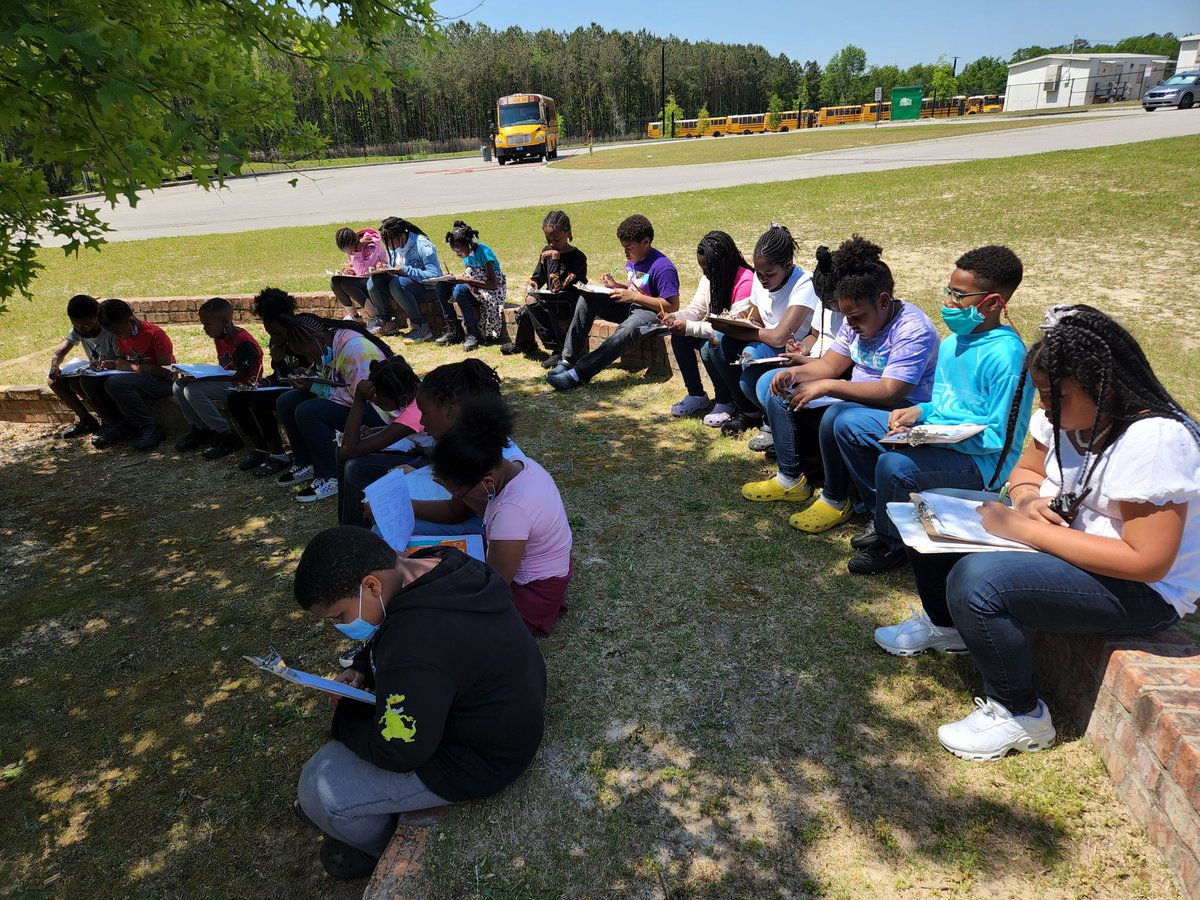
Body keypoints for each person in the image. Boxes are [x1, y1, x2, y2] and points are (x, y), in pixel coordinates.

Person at [875, 305, 1198, 762]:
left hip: (1145, 591)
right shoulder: (1064, 417)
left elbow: (1147, 561)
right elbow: (1025, 472)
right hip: (1073, 552)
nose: (1043, 407)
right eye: (1043, 395)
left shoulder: (1154, 440)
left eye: (1053, 396)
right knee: (933, 510)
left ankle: (1021, 714)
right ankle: (947, 627)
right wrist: (1028, 502)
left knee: (978, 581)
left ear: (1101, 389)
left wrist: (1026, 530)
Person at [293, 527, 546, 880]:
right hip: (507, 711)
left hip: (481, 758)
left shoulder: (414, 645)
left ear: (371, 586)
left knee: (319, 789)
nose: (340, 626)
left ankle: (377, 851)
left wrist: (346, 714)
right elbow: (398, 639)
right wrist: (365, 666)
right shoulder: (437, 561)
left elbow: (398, 751)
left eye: (339, 617)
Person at [842, 245, 1033, 574]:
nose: (948, 304)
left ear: (991, 303)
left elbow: (1000, 439)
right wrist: (918, 413)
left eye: (959, 297)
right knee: (850, 423)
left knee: (894, 465)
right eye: (948, 291)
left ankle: (892, 544)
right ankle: (883, 516)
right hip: (941, 440)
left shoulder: (1007, 357)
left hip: (982, 464)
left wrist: (935, 440)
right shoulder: (952, 343)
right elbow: (945, 404)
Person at [779, 236, 940, 537]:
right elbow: (829, 365)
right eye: (846, 316)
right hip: (864, 405)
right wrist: (795, 375)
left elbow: (891, 392)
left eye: (855, 317)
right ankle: (818, 489)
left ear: (882, 300)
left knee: (841, 418)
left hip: (905, 414)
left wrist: (827, 387)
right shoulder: (860, 320)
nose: (849, 324)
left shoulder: (912, 329)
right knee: (787, 394)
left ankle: (877, 511)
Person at [429, 396, 572, 635]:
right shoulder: (519, 464)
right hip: (543, 570)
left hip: (532, 593)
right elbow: (492, 510)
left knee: (446, 616)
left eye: (459, 490)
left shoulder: (511, 513)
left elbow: (494, 586)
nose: (457, 495)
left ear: (487, 480)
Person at [740, 246, 847, 499]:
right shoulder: (826, 302)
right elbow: (815, 335)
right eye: (824, 301)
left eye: (831, 301)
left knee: (776, 390)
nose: (827, 306)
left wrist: (802, 367)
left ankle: (793, 473)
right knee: (767, 383)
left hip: (835, 372)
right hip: (819, 364)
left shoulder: (852, 313)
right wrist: (802, 349)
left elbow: (839, 363)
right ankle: (793, 454)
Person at [705, 224, 822, 439]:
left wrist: (745, 333)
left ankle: (772, 421)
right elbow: (757, 317)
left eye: (769, 274)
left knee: (750, 361)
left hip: (788, 348)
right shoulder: (761, 279)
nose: (762, 279)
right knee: (715, 343)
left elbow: (780, 336)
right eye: (758, 273)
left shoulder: (804, 283)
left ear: (788, 266)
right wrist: (740, 320)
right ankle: (748, 410)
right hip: (764, 339)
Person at [547, 214, 680, 391]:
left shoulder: (663, 267)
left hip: (651, 313)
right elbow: (639, 286)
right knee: (588, 297)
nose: (625, 252)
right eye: (623, 247)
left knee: (626, 330)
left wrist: (634, 297)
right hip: (631, 305)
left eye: (629, 247)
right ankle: (567, 360)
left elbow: (672, 305)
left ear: (646, 242)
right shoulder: (634, 259)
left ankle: (578, 374)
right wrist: (616, 285)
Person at [272, 315, 392, 503]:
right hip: (355, 403)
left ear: (320, 339)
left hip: (377, 412)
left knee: (308, 410)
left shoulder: (355, 349)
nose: (310, 359)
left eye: (310, 355)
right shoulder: (329, 343)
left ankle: (331, 475)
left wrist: (314, 387)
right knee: (287, 401)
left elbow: (359, 397)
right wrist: (313, 377)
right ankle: (307, 462)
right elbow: (337, 380)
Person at [660, 230, 755, 420]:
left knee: (710, 344)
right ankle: (696, 395)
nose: (705, 274)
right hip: (722, 334)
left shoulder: (746, 281)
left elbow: (734, 328)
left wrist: (688, 327)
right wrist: (674, 317)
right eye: (703, 269)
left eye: (708, 269)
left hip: (739, 340)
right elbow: (697, 309)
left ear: (724, 262)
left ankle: (727, 400)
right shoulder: (711, 277)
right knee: (681, 335)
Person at [226, 287, 311, 477]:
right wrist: (267, 381)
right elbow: (279, 374)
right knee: (236, 398)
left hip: (303, 388)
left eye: (278, 335)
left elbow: (309, 374)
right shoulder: (276, 342)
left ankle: (279, 454)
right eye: (270, 335)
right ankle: (261, 448)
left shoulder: (303, 341)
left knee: (260, 402)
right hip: (285, 385)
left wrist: (283, 364)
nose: (274, 339)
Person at [172, 297, 264, 459]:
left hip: (244, 385)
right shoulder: (220, 336)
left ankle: (227, 435)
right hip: (227, 380)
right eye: (203, 324)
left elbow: (239, 375)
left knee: (193, 391)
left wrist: (201, 379)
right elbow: (224, 368)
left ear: (226, 322)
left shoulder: (243, 342)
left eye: (208, 324)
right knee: (178, 385)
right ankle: (201, 429)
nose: (204, 329)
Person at [338, 357, 424, 528]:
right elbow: (401, 431)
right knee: (341, 451)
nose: (375, 399)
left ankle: (355, 532)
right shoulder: (416, 395)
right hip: (422, 450)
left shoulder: (416, 412)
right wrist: (374, 432)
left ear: (402, 397)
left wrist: (360, 401)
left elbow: (349, 450)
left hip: (431, 463)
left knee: (357, 467)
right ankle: (346, 526)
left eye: (380, 397)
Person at [501, 210, 588, 369]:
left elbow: (557, 288)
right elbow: (538, 277)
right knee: (529, 307)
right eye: (548, 239)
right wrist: (533, 284)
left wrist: (555, 256)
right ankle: (525, 344)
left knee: (533, 301)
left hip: (570, 301)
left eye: (556, 239)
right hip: (551, 300)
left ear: (568, 233)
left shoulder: (579, 258)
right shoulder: (546, 250)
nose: (552, 243)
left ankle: (558, 348)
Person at [93, 298, 177, 451]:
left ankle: (149, 427)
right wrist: (110, 363)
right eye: (112, 333)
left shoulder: (155, 334)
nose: (118, 336)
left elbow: (167, 371)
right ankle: (117, 424)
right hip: (139, 378)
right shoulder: (120, 336)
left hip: (162, 382)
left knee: (115, 383)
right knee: (91, 381)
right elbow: (124, 361)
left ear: (130, 320)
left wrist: (133, 367)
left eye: (118, 332)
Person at [45, 293, 121, 439]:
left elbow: (121, 358)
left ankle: (110, 422)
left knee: (79, 382)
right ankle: (87, 421)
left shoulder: (110, 330)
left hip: (112, 371)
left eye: (86, 325)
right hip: (95, 370)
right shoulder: (78, 330)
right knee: (54, 381)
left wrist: (105, 363)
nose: (81, 329)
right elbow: (61, 351)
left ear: (97, 316)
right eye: (76, 325)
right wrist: (55, 365)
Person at [366, 217, 443, 341]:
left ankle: (421, 327)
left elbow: (435, 275)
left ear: (402, 237)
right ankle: (387, 323)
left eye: (390, 242)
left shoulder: (422, 245)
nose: (389, 246)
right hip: (404, 286)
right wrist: (386, 268)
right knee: (374, 282)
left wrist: (405, 270)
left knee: (396, 284)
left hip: (428, 289)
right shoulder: (396, 247)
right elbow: (397, 268)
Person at [435, 220, 507, 351]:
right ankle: (453, 329)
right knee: (441, 286)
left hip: (490, 291)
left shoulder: (483, 252)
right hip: (474, 288)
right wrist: (452, 278)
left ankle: (473, 333)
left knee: (459, 290)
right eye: (455, 252)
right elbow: (471, 274)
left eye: (460, 251)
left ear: (469, 243)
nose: (458, 255)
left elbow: (493, 284)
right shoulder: (468, 254)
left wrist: (465, 280)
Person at [331, 226, 388, 325]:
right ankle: (354, 316)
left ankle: (375, 317)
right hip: (364, 278)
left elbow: (362, 271)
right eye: (344, 250)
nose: (348, 252)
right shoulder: (353, 245)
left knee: (346, 284)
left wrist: (357, 250)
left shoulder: (371, 245)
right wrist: (350, 271)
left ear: (356, 240)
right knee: (334, 282)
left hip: (376, 281)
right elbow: (357, 269)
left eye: (348, 249)